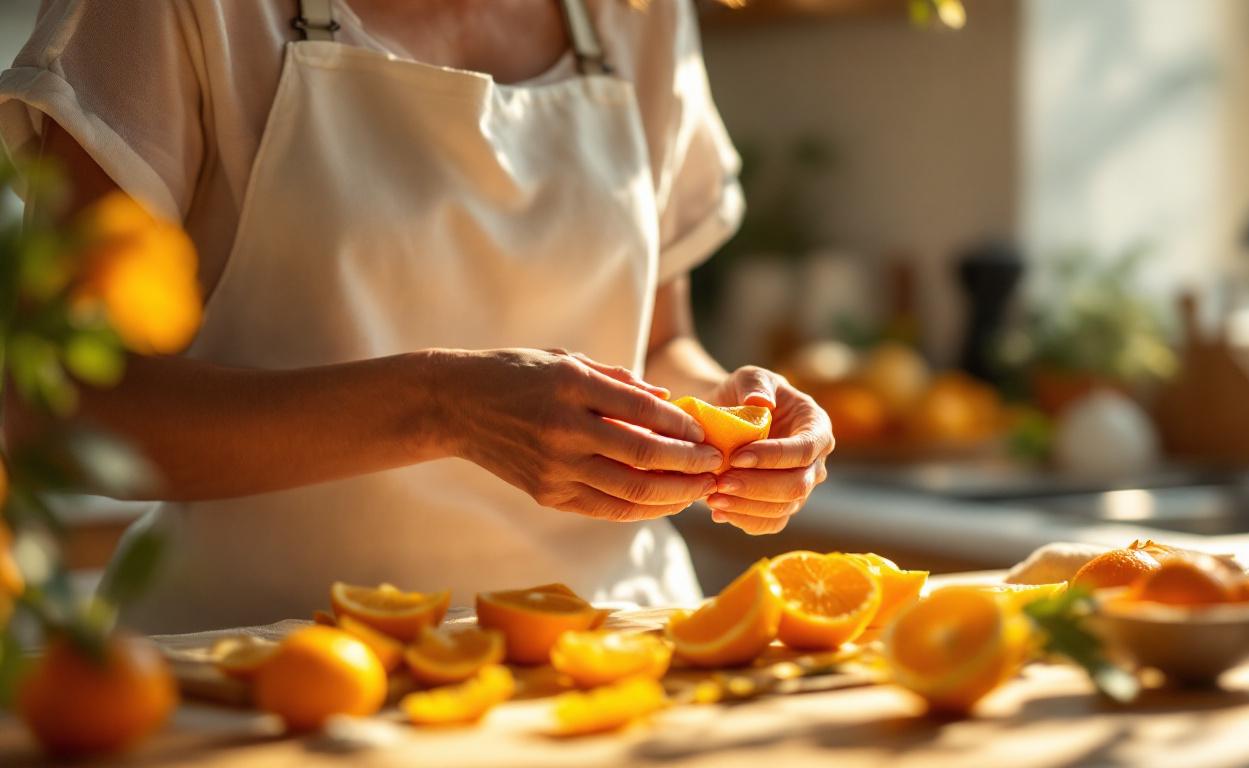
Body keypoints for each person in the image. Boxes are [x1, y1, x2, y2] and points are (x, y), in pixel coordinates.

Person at [0, 0, 834, 633]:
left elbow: (658, 343)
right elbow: (58, 404)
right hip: (265, 667)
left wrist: (731, 417)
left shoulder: (638, 16)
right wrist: (441, 406)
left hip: (609, 645)